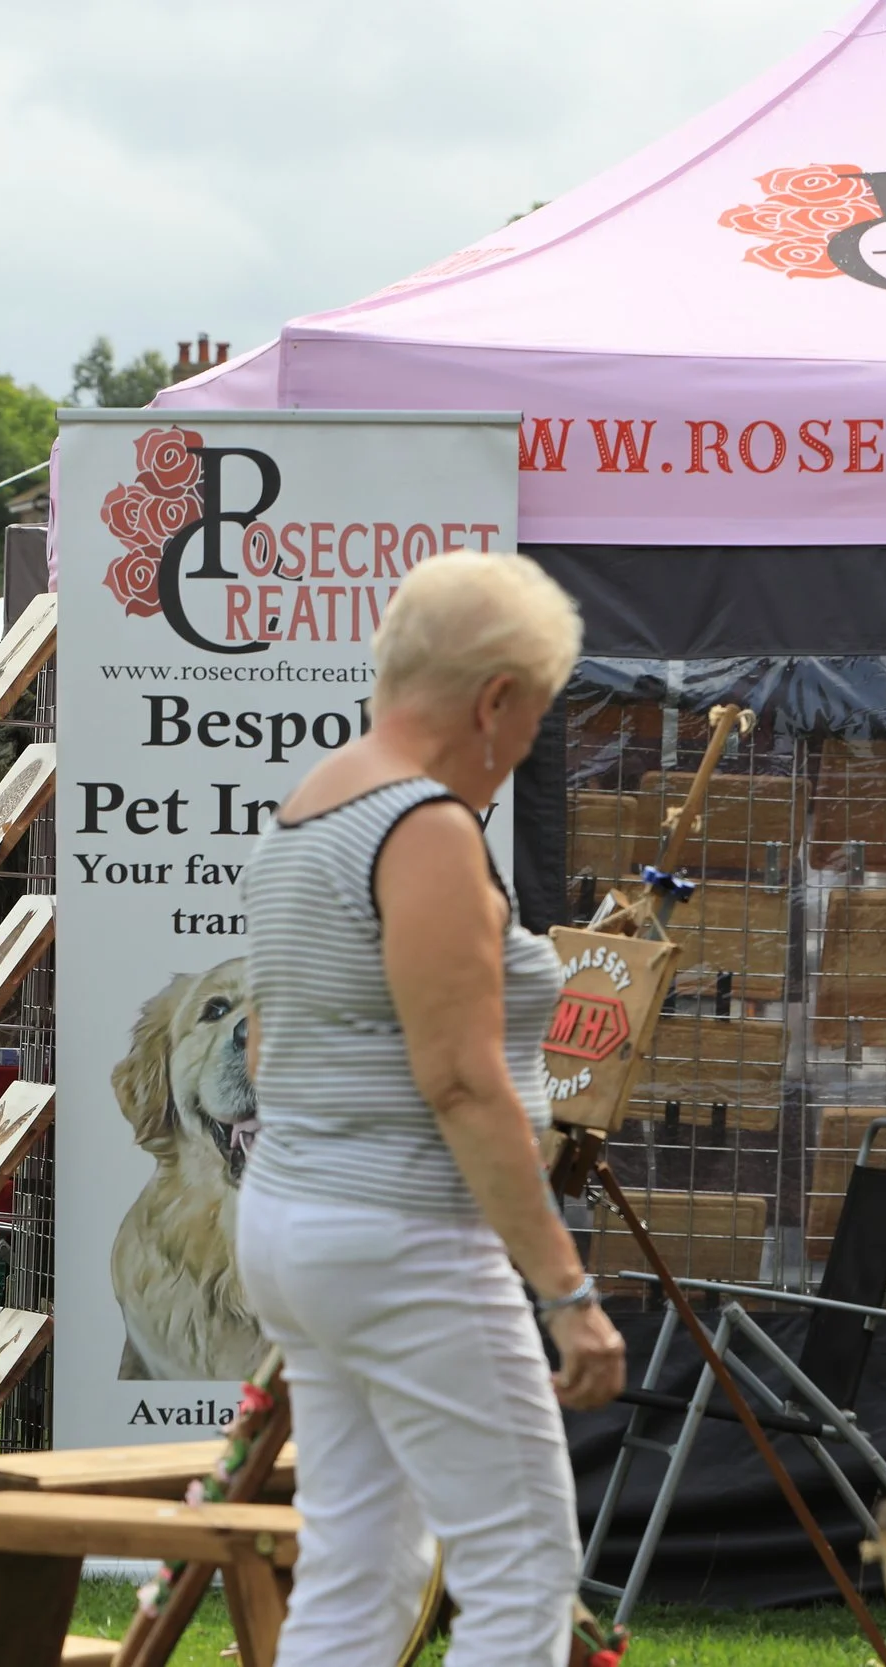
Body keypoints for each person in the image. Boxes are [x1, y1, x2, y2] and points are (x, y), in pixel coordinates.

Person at [237, 551, 626, 1666]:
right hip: (406, 1235)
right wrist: (568, 1291)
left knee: (356, 1565)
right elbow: (459, 1079)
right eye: (537, 714)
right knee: (520, 1570)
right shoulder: (428, 829)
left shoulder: (310, 807)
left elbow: (266, 1043)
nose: (528, 745)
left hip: (298, 1224)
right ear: (495, 698)